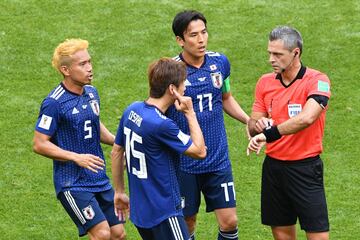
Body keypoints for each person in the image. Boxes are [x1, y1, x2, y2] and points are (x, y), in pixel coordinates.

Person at [167, 10, 250, 240]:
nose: (201, 39)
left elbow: (226, 98)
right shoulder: (171, 71)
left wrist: (247, 119)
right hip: (185, 162)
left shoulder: (219, 63)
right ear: (180, 40)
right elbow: (157, 111)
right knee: (187, 222)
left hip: (218, 159)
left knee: (230, 221)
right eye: (193, 35)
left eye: (204, 32)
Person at [32, 39, 125, 240]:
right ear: (66, 70)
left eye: (89, 62)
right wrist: (76, 157)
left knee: (118, 234)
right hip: (72, 183)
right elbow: (39, 143)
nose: (90, 68)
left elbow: (94, 125)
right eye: (82, 64)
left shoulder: (91, 93)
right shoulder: (54, 103)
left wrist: (120, 141)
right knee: (101, 234)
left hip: (98, 178)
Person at [247, 26, 331, 240]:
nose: (271, 59)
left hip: (305, 168)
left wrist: (269, 133)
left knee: (318, 236)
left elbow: (306, 118)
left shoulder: (318, 80)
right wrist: (259, 124)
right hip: (274, 169)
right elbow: (253, 122)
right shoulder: (265, 82)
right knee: (282, 235)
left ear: (296, 53)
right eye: (269, 53)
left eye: (277, 54)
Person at [111, 57, 207, 240]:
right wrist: (190, 113)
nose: (185, 87)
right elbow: (200, 151)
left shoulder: (132, 110)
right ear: (172, 89)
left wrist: (119, 191)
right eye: (182, 84)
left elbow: (116, 151)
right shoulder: (161, 125)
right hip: (164, 212)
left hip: (141, 214)